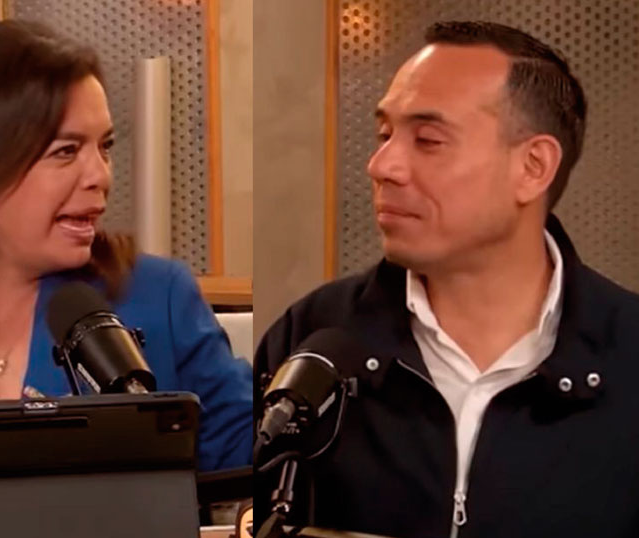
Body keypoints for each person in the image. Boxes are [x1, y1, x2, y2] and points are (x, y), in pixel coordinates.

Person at [0, 19, 252, 533]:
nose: (100, 175)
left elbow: (269, 463)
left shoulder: (157, 299)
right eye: (66, 151)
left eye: (104, 146)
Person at [255, 21, 639, 538]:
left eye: (428, 140)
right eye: (384, 135)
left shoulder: (629, 354)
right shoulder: (310, 340)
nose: (382, 165)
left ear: (533, 166)